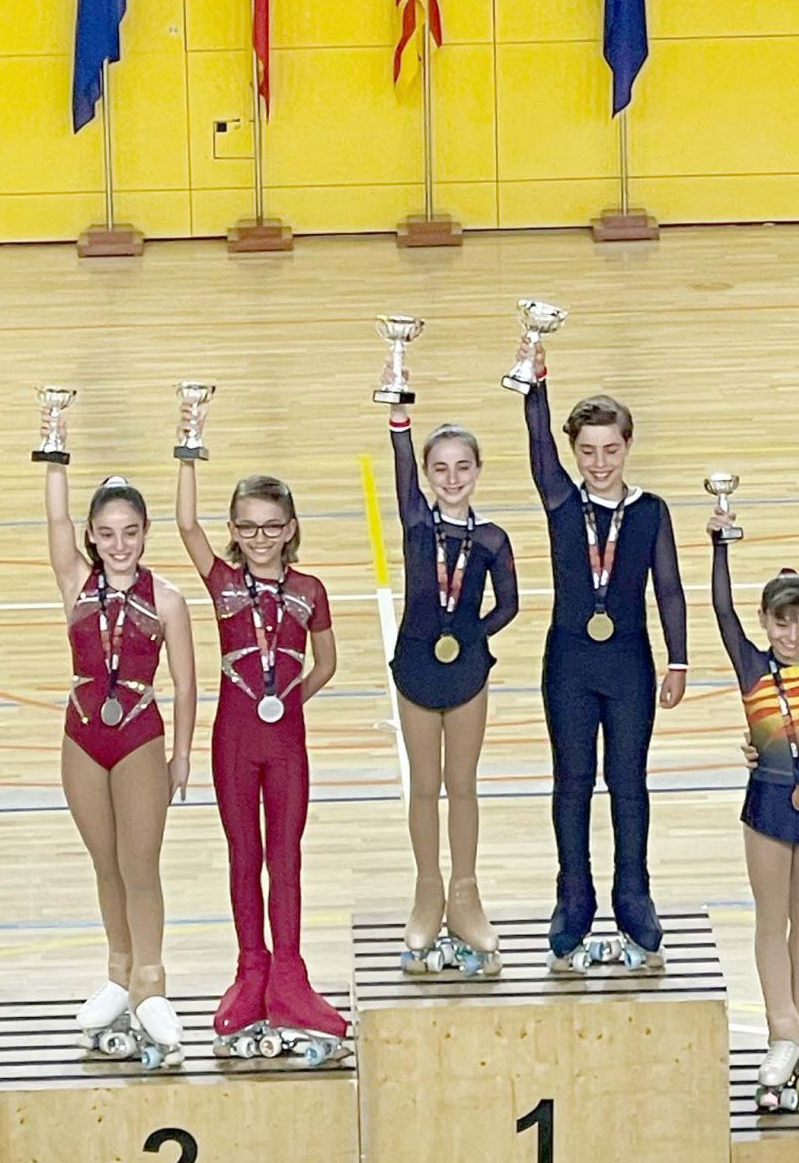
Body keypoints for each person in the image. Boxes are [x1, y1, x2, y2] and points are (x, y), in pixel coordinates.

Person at [519, 337, 688, 970]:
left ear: (627, 447)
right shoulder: (564, 503)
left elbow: (668, 586)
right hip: (568, 664)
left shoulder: (650, 512)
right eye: (586, 451)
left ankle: (634, 895)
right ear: (573, 452)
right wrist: (536, 385)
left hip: (630, 669)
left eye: (610, 449)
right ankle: (573, 897)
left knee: (627, 782)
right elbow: (538, 454)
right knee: (572, 782)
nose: (599, 462)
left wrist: (678, 660)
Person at [176, 447, 344, 1062]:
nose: (259, 538)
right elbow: (186, 526)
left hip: (285, 740)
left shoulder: (308, 590)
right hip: (234, 741)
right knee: (244, 855)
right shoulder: (221, 582)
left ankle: (291, 976)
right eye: (246, 528)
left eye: (272, 526)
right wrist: (188, 448)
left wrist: (290, 698)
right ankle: (253, 970)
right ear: (234, 530)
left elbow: (326, 661)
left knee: (287, 857)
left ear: (291, 528)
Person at [45, 447, 196, 1069]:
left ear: (145, 533)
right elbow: (53, 523)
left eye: (130, 532)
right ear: (90, 536)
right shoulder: (74, 581)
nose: (118, 544)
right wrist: (53, 446)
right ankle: (118, 972)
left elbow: (187, 684)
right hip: (82, 737)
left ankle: (151, 982)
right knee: (105, 864)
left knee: (141, 866)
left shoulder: (168, 598)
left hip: (138, 737)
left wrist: (182, 756)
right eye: (105, 534)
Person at [710, 528, 799, 1110]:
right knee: (772, 919)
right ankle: (780, 1028)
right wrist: (720, 545)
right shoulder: (750, 666)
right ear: (765, 622)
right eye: (781, 623)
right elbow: (719, 608)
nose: (793, 635)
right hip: (766, 808)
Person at [385, 407, 519, 974]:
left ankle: (465, 893)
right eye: (439, 469)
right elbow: (399, 471)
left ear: (478, 470)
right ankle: (427, 889)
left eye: (463, 467)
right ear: (427, 473)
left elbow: (508, 605)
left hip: (467, 672)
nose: (452, 478)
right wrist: (399, 422)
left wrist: (468, 637)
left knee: (461, 784)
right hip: (416, 667)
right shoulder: (418, 523)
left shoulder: (491, 539)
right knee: (424, 785)